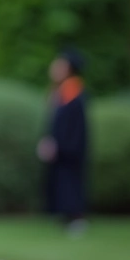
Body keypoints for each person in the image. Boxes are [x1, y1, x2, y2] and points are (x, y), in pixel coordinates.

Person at [38, 48, 89, 235]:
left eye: (59, 64)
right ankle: (63, 217)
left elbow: (75, 127)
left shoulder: (74, 91)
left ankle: (76, 218)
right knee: (60, 183)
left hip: (70, 151)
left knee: (71, 183)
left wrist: (62, 146)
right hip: (60, 149)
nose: (54, 68)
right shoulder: (59, 91)